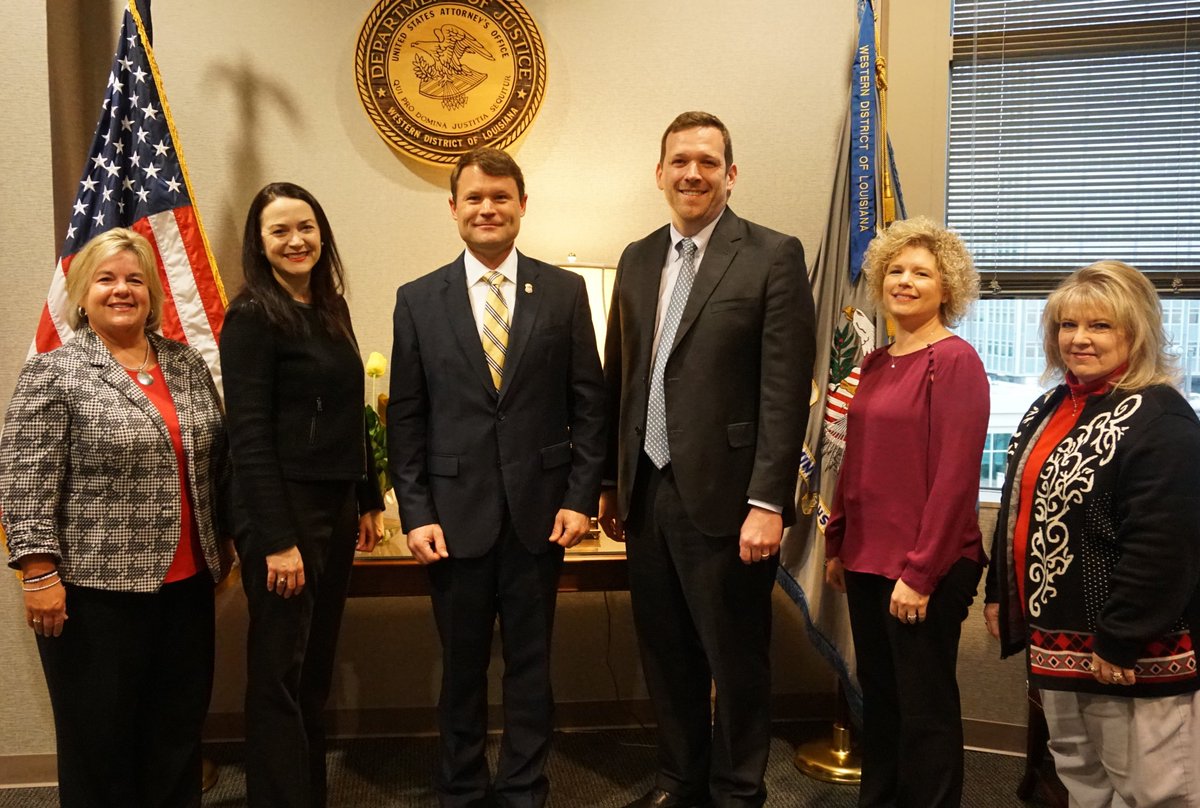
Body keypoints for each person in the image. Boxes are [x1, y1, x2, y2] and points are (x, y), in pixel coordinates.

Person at [598, 111, 815, 808]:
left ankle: (737, 788)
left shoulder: (773, 255)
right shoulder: (635, 258)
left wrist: (767, 502)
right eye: (680, 161)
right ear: (659, 172)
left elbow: (784, 391)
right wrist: (610, 477)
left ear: (731, 173)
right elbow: (619, 377)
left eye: (708, 161)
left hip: (730, 498)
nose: (693, 173)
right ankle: (681, 779)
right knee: (666, 656)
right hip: (647, 492)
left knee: (737, 657)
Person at [388, 146, 605, 808]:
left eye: (500, 197)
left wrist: (580, 498)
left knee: (532, 668)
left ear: (521, 205)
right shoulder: (418, 299)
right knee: (461, 668)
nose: (487, 208)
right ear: (453, 208)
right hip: (452, 519)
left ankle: (522, 789)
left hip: (540, 515)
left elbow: (589, 406)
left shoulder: (564, 292)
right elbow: (407, 417)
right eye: (474, 198)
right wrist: (416, 510)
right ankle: (460, 786)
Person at [0, 228, 231, 807]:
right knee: (100, 748)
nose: (121, 290)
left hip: (186, 588)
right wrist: (38, 574)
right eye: (106, 279)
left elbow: (217, 462)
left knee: (177, 738)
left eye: (134, 280)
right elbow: (25, 482)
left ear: (153, 292)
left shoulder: (185, 364)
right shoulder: (54, 371)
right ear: (82, 292)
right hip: (92, 596)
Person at [985, 261, 1200, 807]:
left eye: (1100, 326)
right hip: (1058, 643)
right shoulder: (1054, 404)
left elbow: (1164, 546)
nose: (1079, 339)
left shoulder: (1161, 418)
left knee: (1155, 793)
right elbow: (1021, 506)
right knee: (1081, 780)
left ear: (1137, 332)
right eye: (1067, 325)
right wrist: (1000, 594)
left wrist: (1121, 639)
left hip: (1132, 652)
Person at [221, 182, 384, 808]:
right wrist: (277, 541)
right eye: (280, 231)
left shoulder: (329, 306)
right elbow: (250, 437)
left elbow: (350, 411)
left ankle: (306, 793)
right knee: (278, 673)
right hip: (282, 511)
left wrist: (367, 495)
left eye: (306, 227)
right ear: (260, 245)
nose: (296, 240)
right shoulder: (252, 317)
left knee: (314, 667)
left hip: (335, 508)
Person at [822, 217, 989, 807]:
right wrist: (837, 542)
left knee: (925, 710)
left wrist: (920, 573)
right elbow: (858, 462)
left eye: (923, 272)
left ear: (948, 287)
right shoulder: (875, 362)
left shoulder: (956, 360)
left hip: (927, 565)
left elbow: (955, 477)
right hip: (868, 557)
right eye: (896, 270)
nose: (906, 281)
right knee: (882, 700)